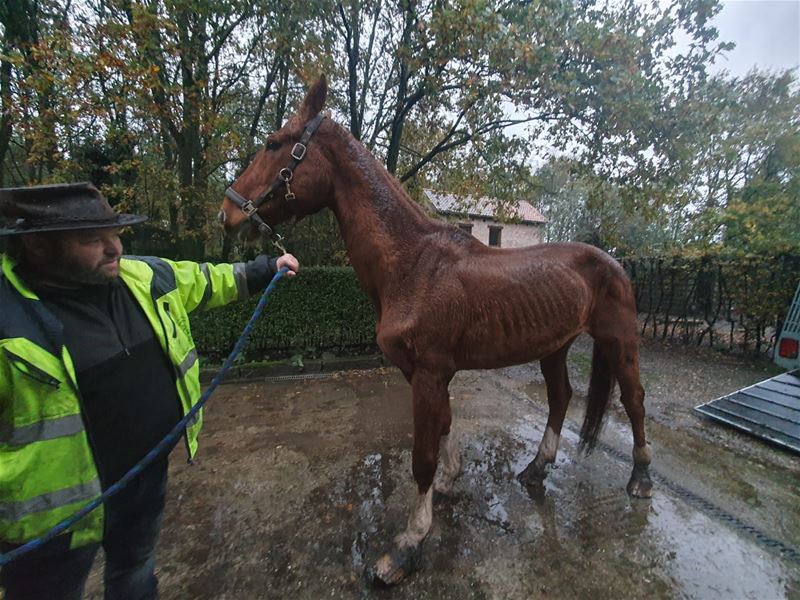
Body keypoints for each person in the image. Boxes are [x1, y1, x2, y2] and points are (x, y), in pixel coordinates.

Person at [0, 182, 298, 600]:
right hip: (50, 526)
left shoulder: (141, 276)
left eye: (115, 234)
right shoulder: (8, 319)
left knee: (136, 576)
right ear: (38, 246)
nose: (115, 249)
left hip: (143, 480)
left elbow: (203, 280)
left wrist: (266, 268)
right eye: (93, 240)